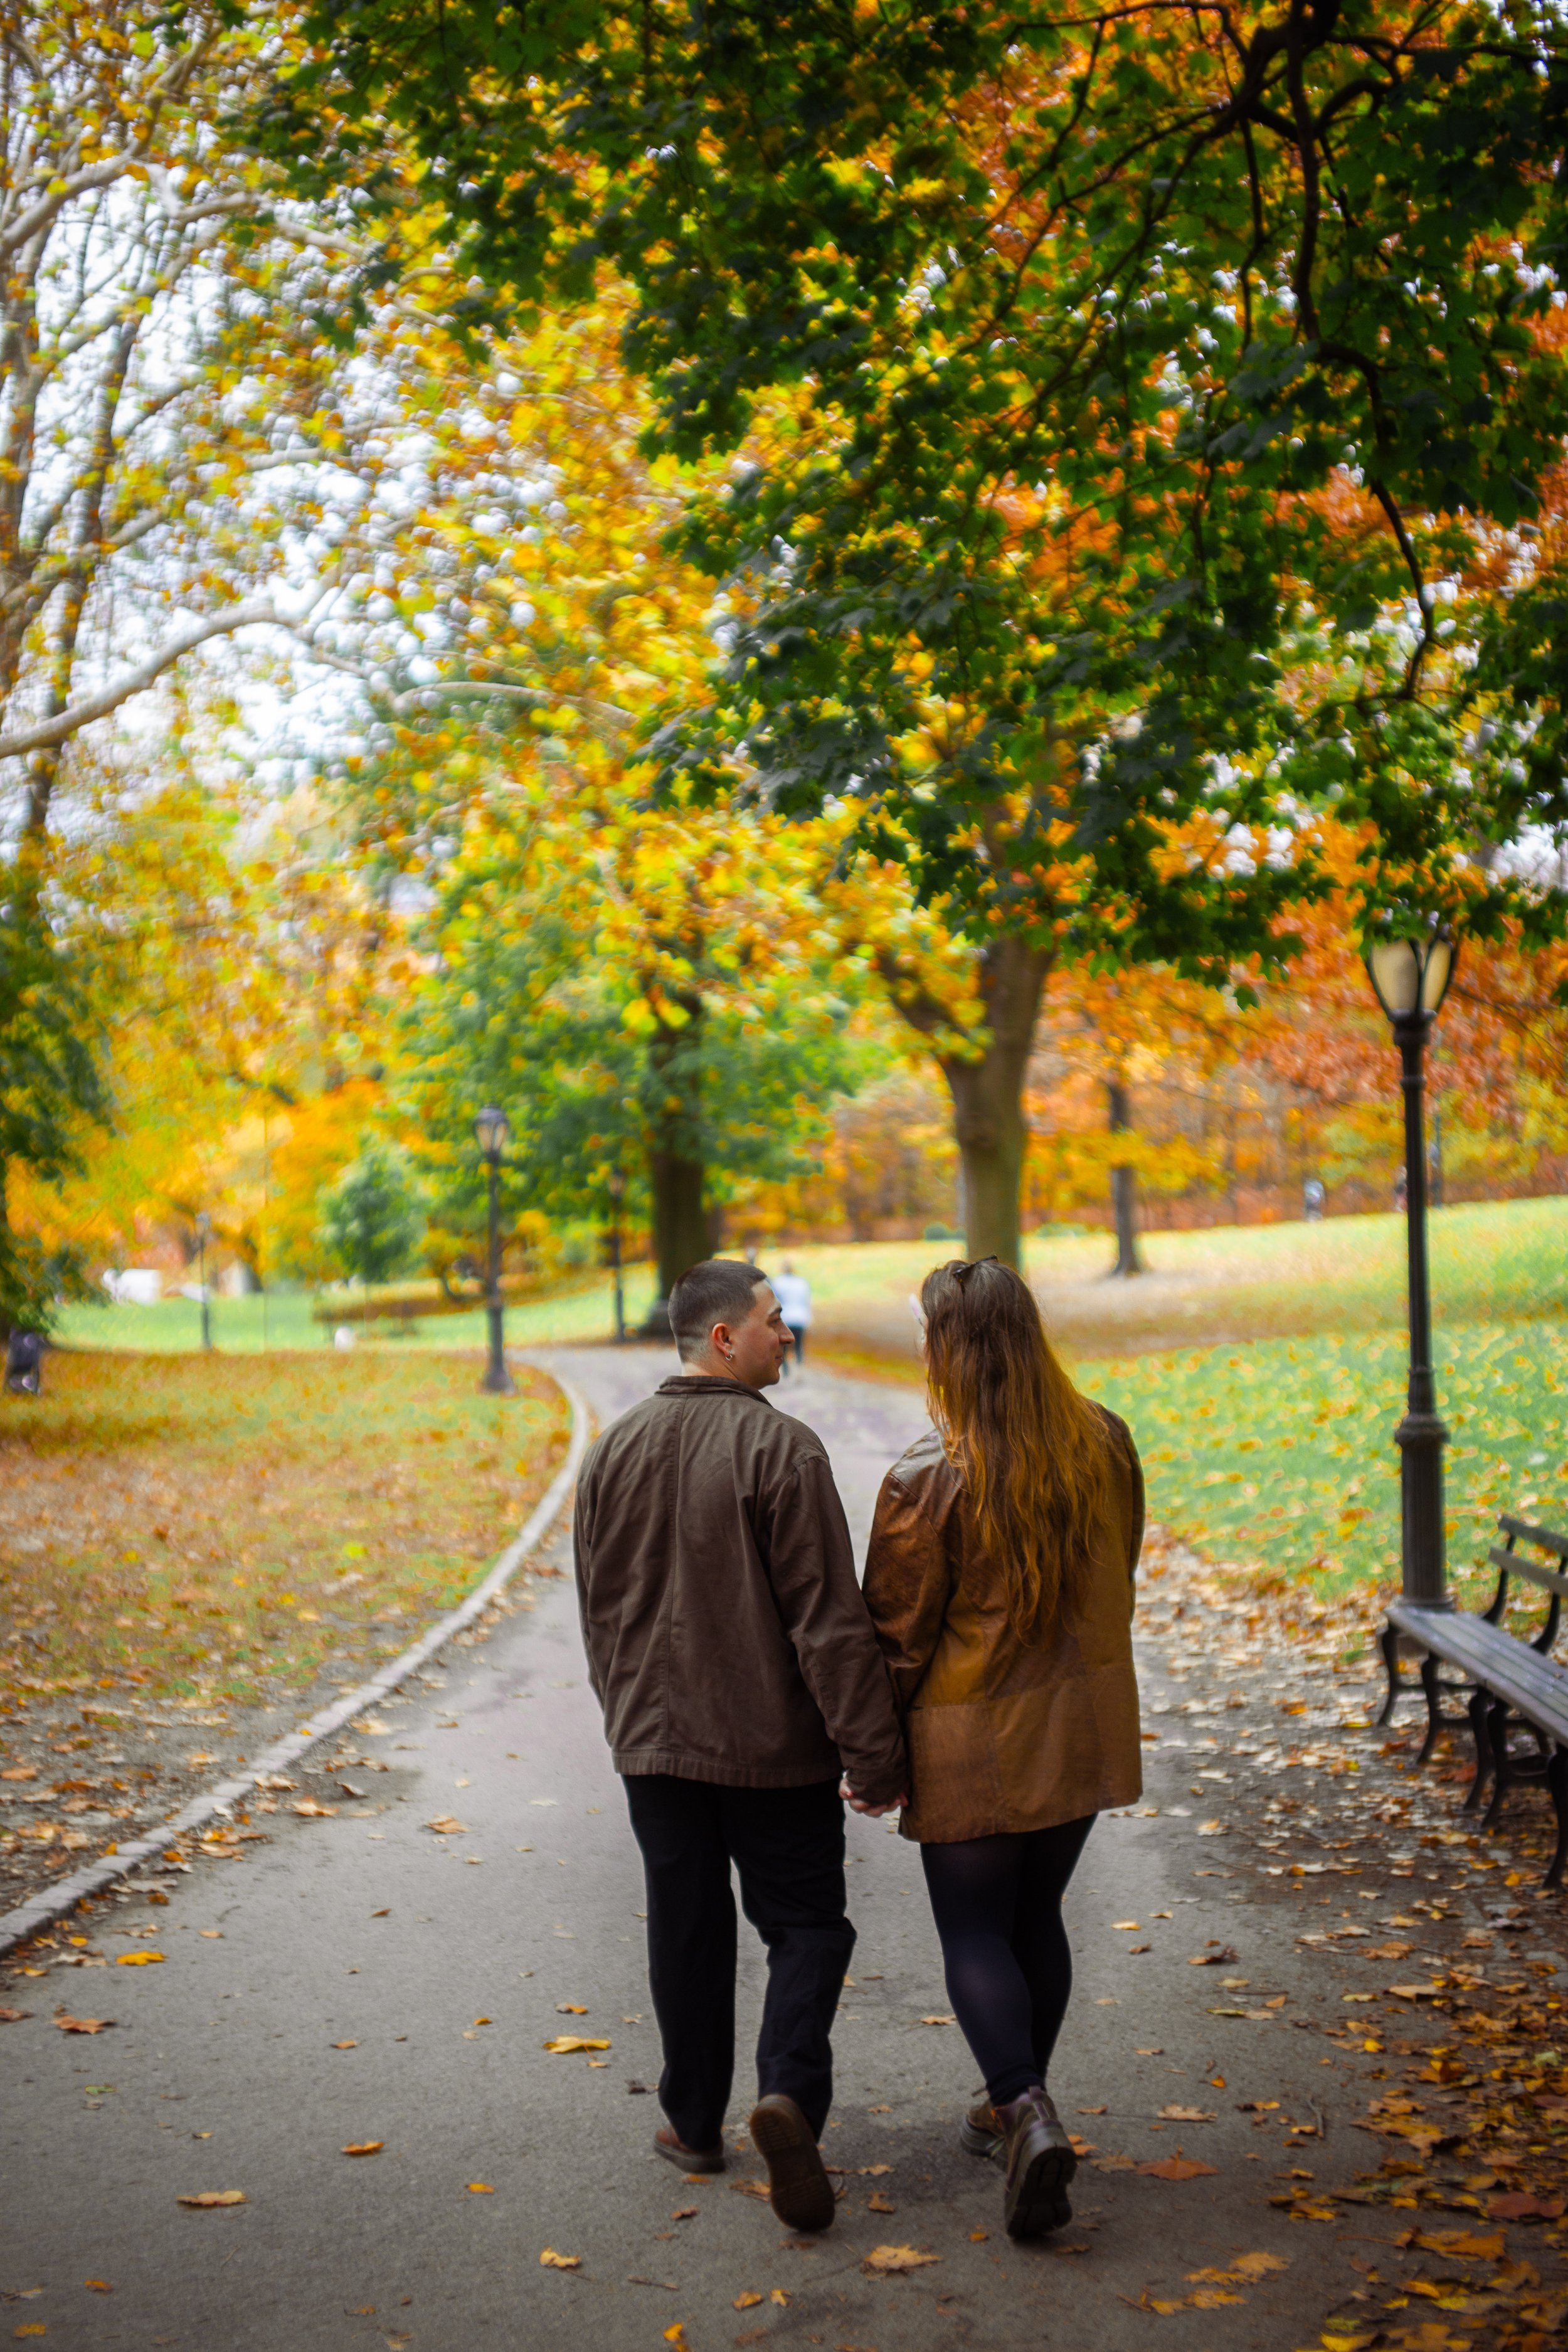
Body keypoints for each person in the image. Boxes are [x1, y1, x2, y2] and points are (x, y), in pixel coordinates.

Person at [573, 1257, 906, 2232]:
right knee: (806, 1926)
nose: (787, 1332)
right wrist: (874, 1755)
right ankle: (788, 2094)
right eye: (773, 1319)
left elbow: (599, 1606)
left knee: (686, 1927)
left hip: (656, 1746)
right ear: (724, 1339)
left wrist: (625, 1715)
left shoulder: (613, 1448)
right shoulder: (783, 1449)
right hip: (773, 1748)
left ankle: (693, 2124)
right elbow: (828, 1622)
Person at [861, 1256, 1143, 2241]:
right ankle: (1015, 2110)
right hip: (1079, 1724)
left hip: (970, 1734)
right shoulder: (1105, 1439)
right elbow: (1124, 1561)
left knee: (977, 1931)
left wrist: (872, 1754)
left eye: (924, 1332)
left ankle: (1022, 2106)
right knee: (1037, 1916)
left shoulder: (927, 1475)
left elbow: (898, 1635)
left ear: (951, 1347)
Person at [770, 1260, 812, 1372]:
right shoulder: (802, 1282)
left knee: (783, 1347)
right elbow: (806, 1301)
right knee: (798, 1345)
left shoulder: (778, 1282)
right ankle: (799, 1368)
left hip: (785, 1317)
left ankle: (786, 1371)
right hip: (800, 1317)